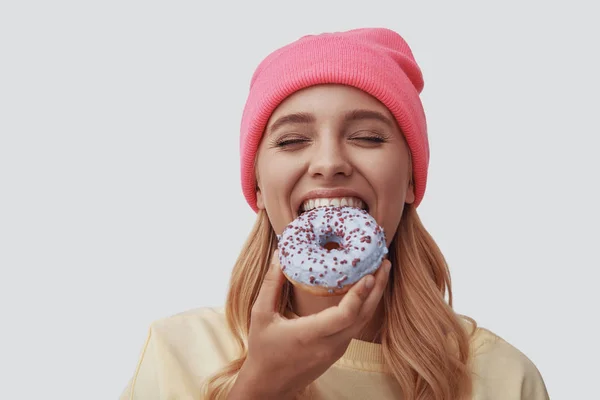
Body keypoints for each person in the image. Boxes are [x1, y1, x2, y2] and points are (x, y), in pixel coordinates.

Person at [119, 27, 549, 400]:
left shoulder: (503, 378)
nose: (329, 162)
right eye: (291, 141)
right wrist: (260, 387)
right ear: (257, 187)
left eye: (366, 136)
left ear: (412, 181)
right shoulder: (178, 352)